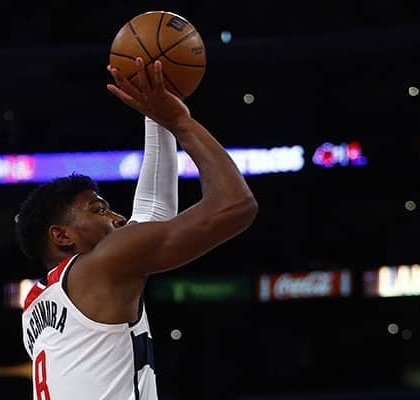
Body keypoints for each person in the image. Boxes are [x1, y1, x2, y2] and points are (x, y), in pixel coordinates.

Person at [16, 57, 258, 400]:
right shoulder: (100, 268)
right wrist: (179, 122)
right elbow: (235, 205)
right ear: (61, 235)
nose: (119, 219)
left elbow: (152, 213)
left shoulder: (35, 304)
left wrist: (156, 113)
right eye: (99, 210)